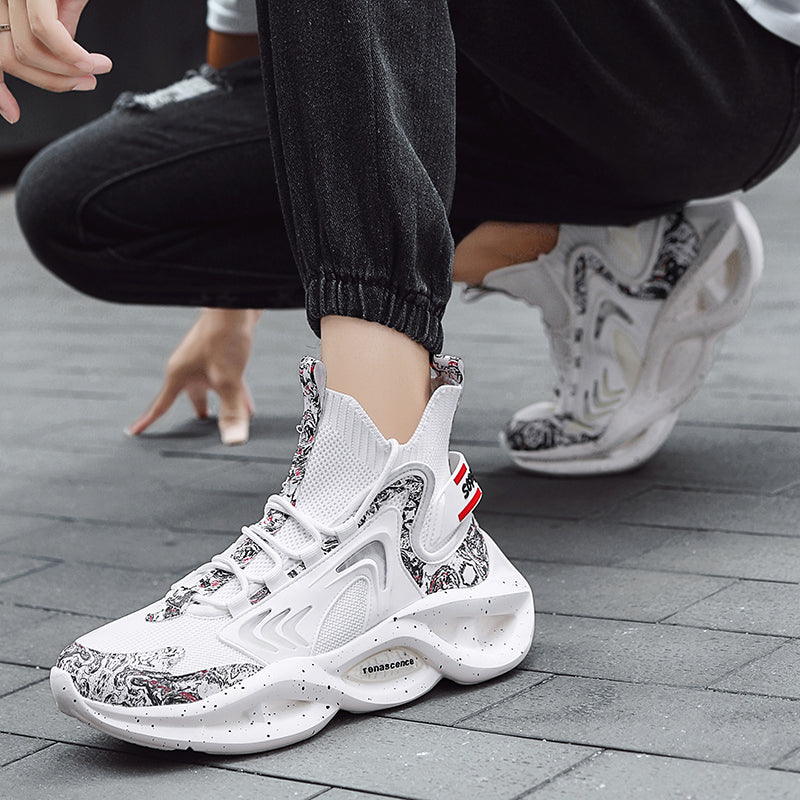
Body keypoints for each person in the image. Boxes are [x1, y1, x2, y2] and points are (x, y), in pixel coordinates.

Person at [3, 0, 798, 753]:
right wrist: (228, 312)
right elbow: (253, 62)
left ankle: (384, 504)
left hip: (705, 69)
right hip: (475, 98)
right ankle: (580, 248)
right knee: (79, 204)